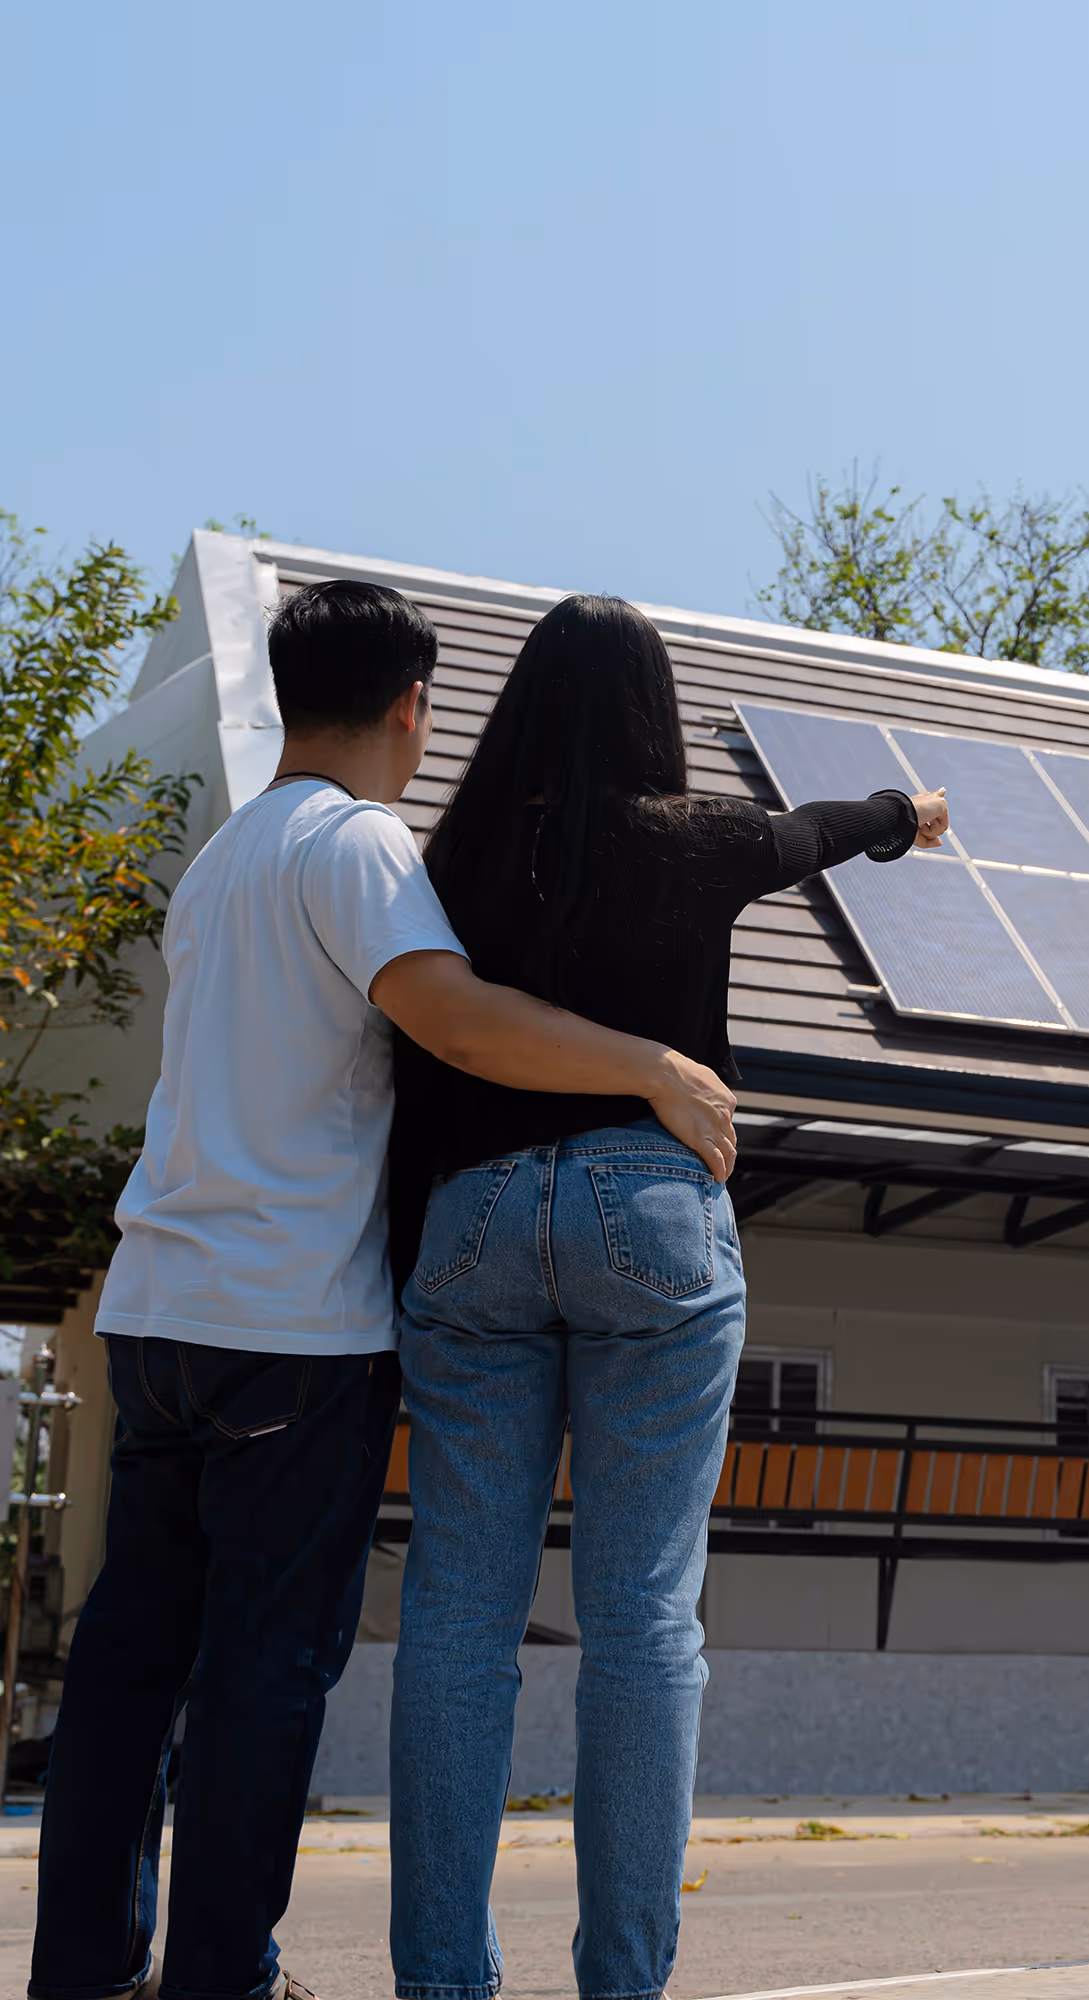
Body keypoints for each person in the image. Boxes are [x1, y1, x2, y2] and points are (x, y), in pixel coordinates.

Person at [30, 580, 737, 2000]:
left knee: (127, 1667)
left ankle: (87, 1967)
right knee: (263, 1673)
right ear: (410, 705)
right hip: (286, 1330)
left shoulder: (220, 863)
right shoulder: (359, 848)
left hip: (156, 1307)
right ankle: (224, 1976)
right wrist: (652, 1066)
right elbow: (455, 1021)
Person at [386, 593, 946, 2000]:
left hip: (472, 1220)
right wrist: (911, 808)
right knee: (641, 1619)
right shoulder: (691, 843)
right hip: (650, 1210)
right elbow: (823, 830)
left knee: (460, 1616)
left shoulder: (441, 861)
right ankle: (621, 1983)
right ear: (652, 708)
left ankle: (443, 1981)